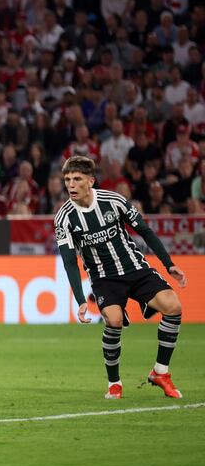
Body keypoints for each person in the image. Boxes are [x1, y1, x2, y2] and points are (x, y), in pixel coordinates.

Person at [54, 156, 187, 400]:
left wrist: (169, 265)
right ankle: (114, 383)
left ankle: (161, 372)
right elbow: (70, 261)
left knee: (173, 306)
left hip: (135, 268)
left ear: (90, 181)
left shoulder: (113, 201)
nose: (71, 185)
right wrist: (81, 299)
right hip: (105, 278)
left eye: (77, 179)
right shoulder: (64, 218)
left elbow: (145, 231)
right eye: (67, 180)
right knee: (113, 320)